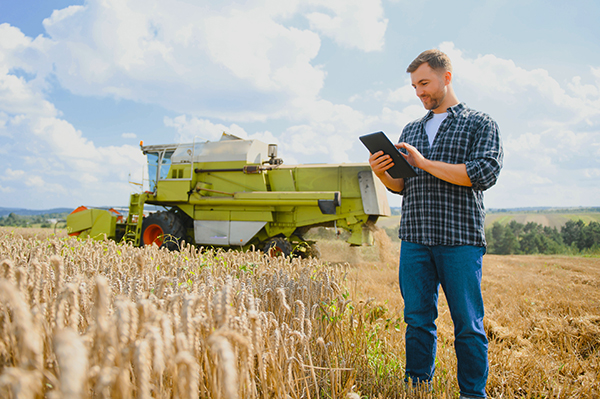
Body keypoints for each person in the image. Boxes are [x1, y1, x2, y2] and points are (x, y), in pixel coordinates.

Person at [368, 49, 503, 399]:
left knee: (468, 326)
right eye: (414, 86)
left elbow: (482, 174)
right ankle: (417, 388)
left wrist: (425, 162)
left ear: (447, 77)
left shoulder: (480, 123)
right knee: (417, 320)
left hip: (459, 239)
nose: (419, 92)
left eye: (424, 83)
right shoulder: (411, 128)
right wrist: (382, 172)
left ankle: (473, 394)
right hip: (415, 238)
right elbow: (402, 186)